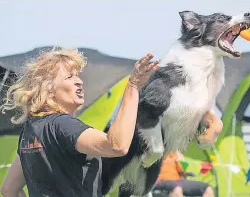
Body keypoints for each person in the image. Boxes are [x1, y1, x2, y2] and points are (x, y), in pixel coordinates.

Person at [0, 47, 159, 197]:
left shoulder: (29, 131)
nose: (79, 82)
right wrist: (133, 86)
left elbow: (8, 189)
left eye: (78, 75)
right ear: (48, 89)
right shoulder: (63, 125)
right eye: (69, 77)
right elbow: (117, 145)